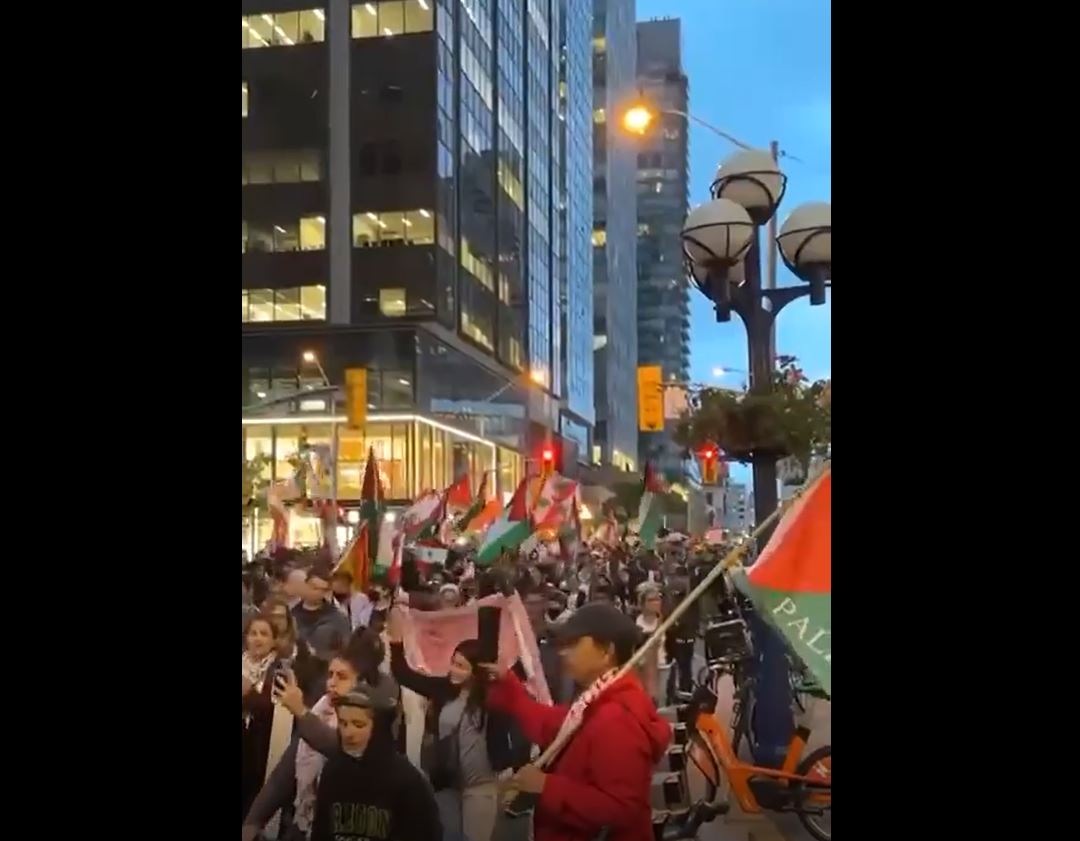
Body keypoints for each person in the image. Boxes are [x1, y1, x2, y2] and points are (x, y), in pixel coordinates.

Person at [482, 602, 671, 841]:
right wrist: (508, 685)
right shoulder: (597, 701)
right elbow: (555, 724)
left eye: (573, 644)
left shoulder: (616, 718)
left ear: (606, 652)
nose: (562, 653)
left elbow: (621, 809)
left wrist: (546, 786)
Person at [386, 608, 527, 841]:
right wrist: (396, 643)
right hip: (446, 783)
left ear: (476, 671)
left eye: (461, 666)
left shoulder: (490, 696)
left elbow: (516, 692)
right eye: (453, 663)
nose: (453, 670)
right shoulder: (443, 689)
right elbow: (405, 675)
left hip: (480, 788)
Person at [243, 633, 399, 841]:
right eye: (330, 675)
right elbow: (282, 778)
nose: (331, 683)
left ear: (361, 683)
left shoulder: (372, 721)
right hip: (304, 821)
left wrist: (300, 711)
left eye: (342, 677)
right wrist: (252, 822)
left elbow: (341, 747)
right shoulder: (321, 711)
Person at [272, 672, 442, 841]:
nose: (348, 733)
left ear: (379, 729)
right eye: (343, 723)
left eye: (358, 725)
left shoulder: (408, 781)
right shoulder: (333, 773)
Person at [242, 613, 292, 821]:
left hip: (260, 749)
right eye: (253, 633)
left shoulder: (280, 671)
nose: (257, 638)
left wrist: (249, 693)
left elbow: (275, 709)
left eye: (264, 634)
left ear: (274, 640)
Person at [293, 568, 352, 657]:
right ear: (305, 585)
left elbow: (346, 650)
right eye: (314, 587)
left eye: (323, 590)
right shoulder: (290, 614)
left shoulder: (338, 619)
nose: (317, 592)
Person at [635, 586, 669, 705]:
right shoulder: (636, 623)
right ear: (642, 604)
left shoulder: (667, 621)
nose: (655, 603)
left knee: (659, 701)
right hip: (643, 668)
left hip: (662, 665)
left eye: (658, 599)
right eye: (651, 600)